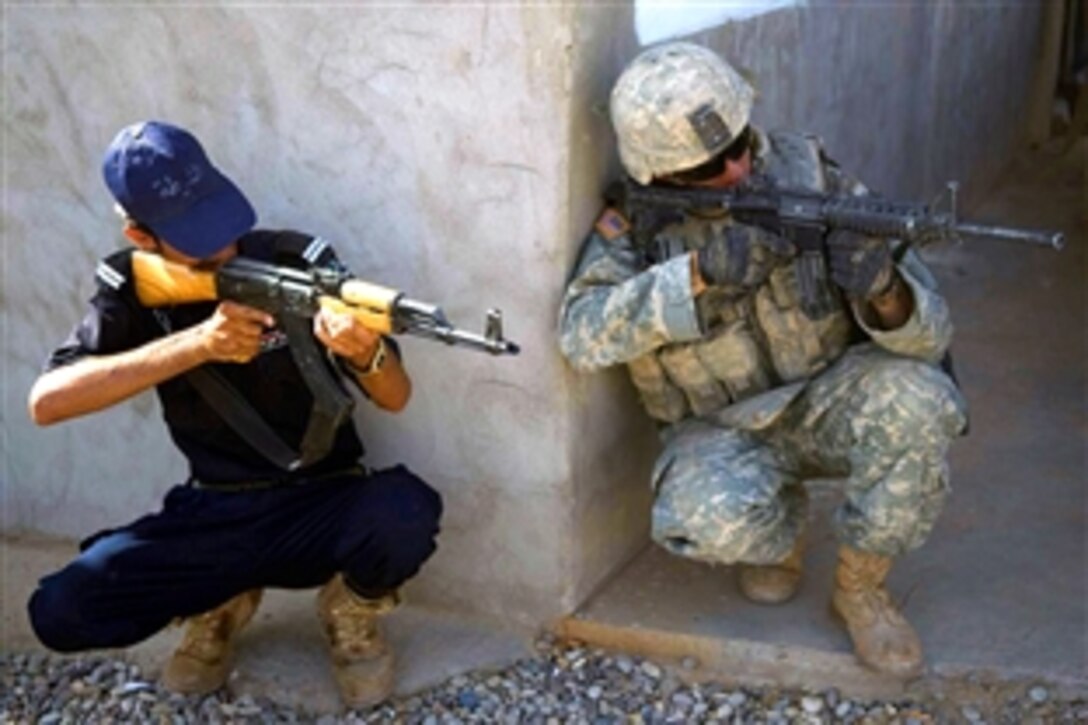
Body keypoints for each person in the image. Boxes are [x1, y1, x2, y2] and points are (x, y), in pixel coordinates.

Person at [558, 42, 967, 677]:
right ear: (657, 175)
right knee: (696, 517)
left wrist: (882, 288)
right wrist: (696, 276)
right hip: (724, 430)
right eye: (708, 166)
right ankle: (782, 535)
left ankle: (861, 588)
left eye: (741, 142)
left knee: (925, 400)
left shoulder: (812, 179)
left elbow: (931, 336)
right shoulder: (636, 227)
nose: (737, 169)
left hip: (830, 397)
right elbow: (581, 336)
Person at [26, 120, 443, 708]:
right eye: (196, 237)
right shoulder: (128, 285)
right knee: (61, 609)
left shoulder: (296, 258)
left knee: (404, 512)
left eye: (220, 220)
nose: (222, 247)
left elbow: (395, 396)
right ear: (140, 236)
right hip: (215, 509)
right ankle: (218, 603)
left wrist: (367, 352)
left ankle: (351, 609)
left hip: (323, 502)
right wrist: (198, 344)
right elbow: (47, 402)